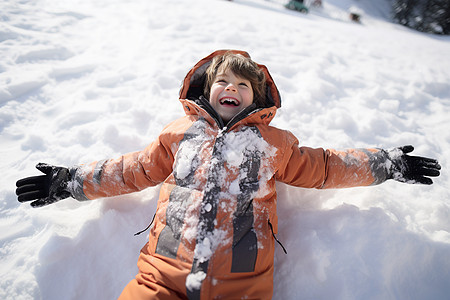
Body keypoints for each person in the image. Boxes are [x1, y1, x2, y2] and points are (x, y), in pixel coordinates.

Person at [15, 50, 441, 300]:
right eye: (223, 82)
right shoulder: (178, 135)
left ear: (257, 99)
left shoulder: (274, 143)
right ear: (206, 89)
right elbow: (131, 170)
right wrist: (70, 181)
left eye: (243, 86)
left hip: (244, 282)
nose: (232, 90)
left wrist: (385, 164)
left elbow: (325, 166)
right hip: (161, 275)